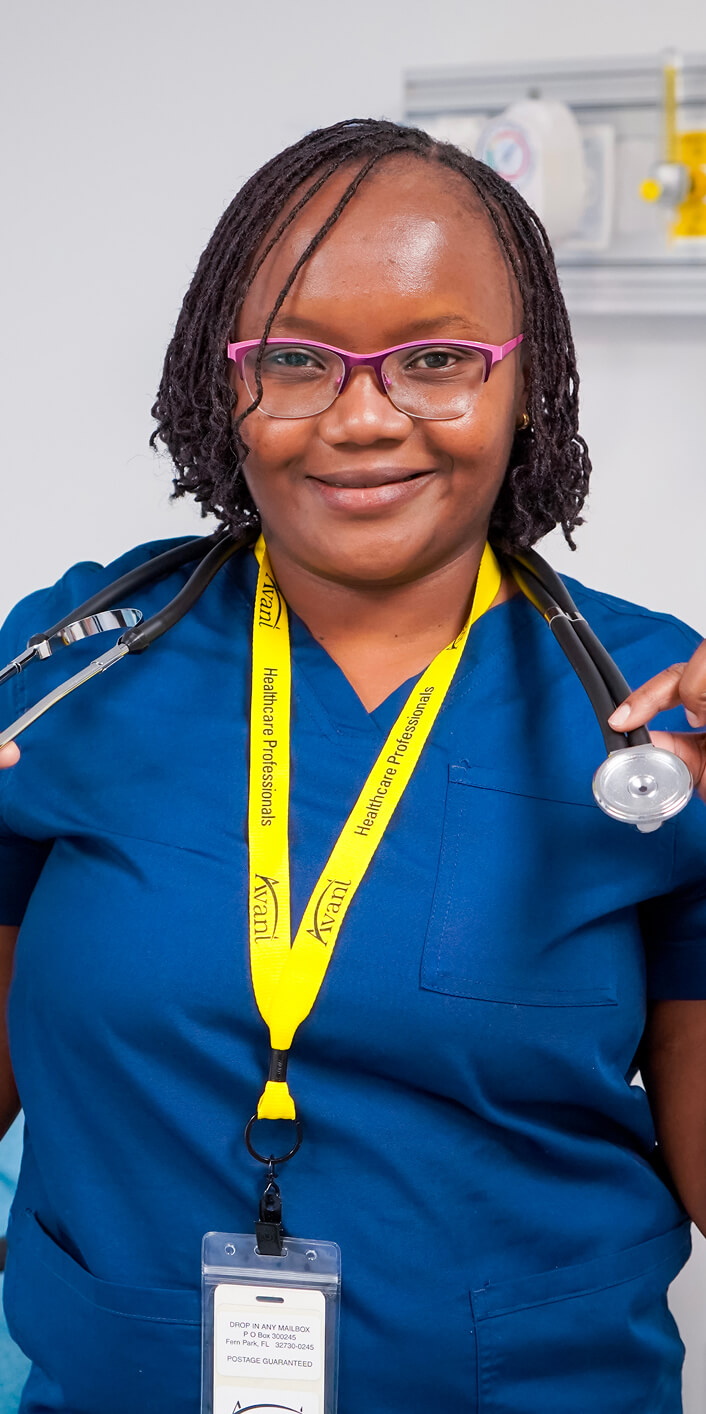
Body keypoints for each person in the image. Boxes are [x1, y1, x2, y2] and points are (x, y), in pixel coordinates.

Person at [0, 117, 705, 1414]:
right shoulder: (62, 672)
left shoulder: (660, 716)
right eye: (296, 360)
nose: (365, 416)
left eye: (435, 358)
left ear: (527, 377)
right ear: (225, 386)